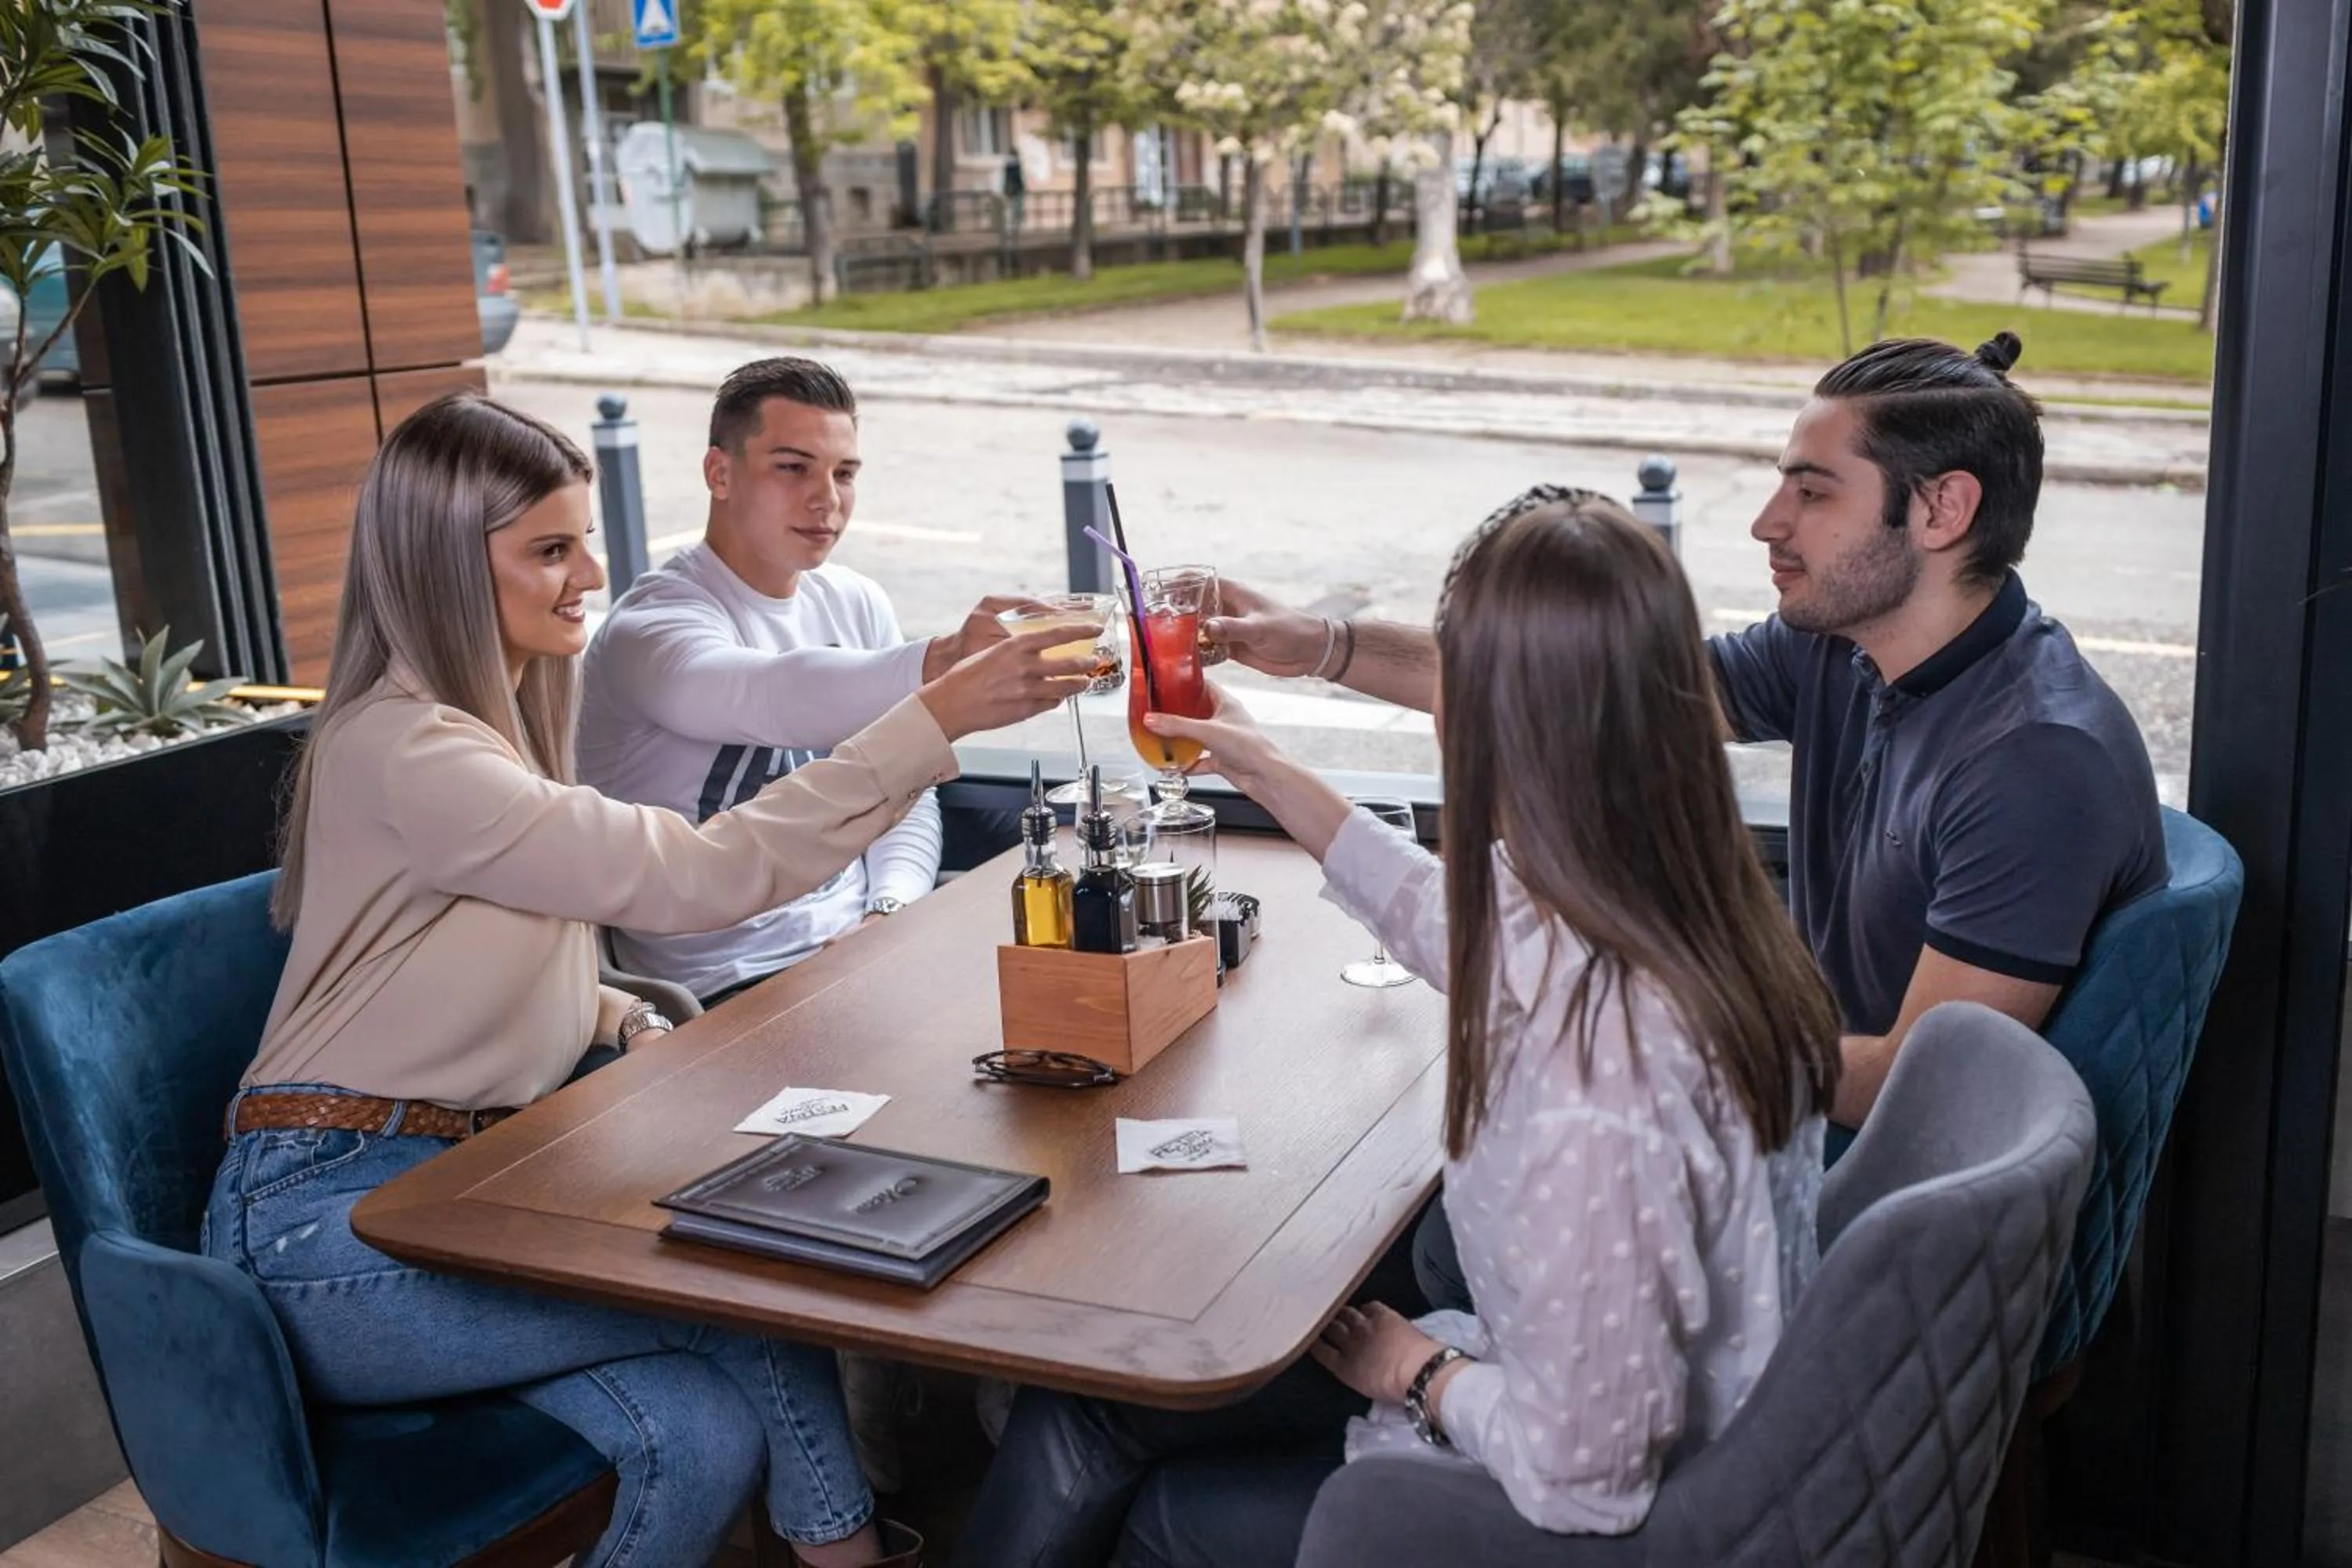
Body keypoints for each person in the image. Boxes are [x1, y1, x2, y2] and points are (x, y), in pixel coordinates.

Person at [201, 393, 1087, 1568]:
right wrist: (931, 717)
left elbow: (482, 955)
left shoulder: (487, 730)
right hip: (327, 1224)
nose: (588, 575)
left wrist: (629, 1024)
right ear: (444, 569)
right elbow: (703, 873)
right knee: (745, 1305)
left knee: (700, 1433)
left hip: (455, 1173)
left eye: (586, 539)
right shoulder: (411, 748)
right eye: (550, 550)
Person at [953, 489, 1844, 1566]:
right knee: (1088, 1409)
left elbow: (1586, 1480)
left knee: (1135, 1479)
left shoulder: (1601, 1083)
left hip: (1583, 1519)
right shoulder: (1681, 914)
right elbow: (1468, 932)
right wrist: (1262, 762)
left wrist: (1416, 1373)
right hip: (1675, 1431)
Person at [1208, 332, 2165, 1138]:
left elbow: (1905, 1088)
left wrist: (1624, 1032)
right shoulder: (1840, 649)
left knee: (1435, 1190)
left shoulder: (2036, 762)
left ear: (1941, 509)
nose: (1765, 522)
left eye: (1813, 493)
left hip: (1869, 1178)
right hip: (1797, 1086)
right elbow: (1577, 685)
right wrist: (1324, 645)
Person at [579, 357, 1028, 1009]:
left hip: (867, 946)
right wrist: (942, 661)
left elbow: (906, 789)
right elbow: (764, 693)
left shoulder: (855, 601)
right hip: (723, 986)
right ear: (719, 473)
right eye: (793, 468)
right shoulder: (651, 627)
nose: (828, 499)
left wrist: (889, 912)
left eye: (844, 473)